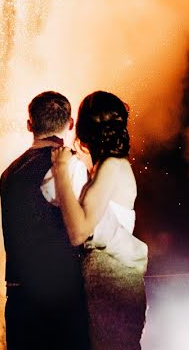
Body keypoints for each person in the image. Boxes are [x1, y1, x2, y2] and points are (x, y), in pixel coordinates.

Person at [51, 91, 148, 350]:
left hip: (112, 287)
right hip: (111, 284)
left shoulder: (112, 167)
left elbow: (79, 232)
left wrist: (60, 172)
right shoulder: (108, 167)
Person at [0, 91, 92, 350]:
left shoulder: (9, 172)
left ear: (30, 125)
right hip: (59, 299)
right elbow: (83, 229)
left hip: (18, 300)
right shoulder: (69, 166)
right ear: (70, 124)